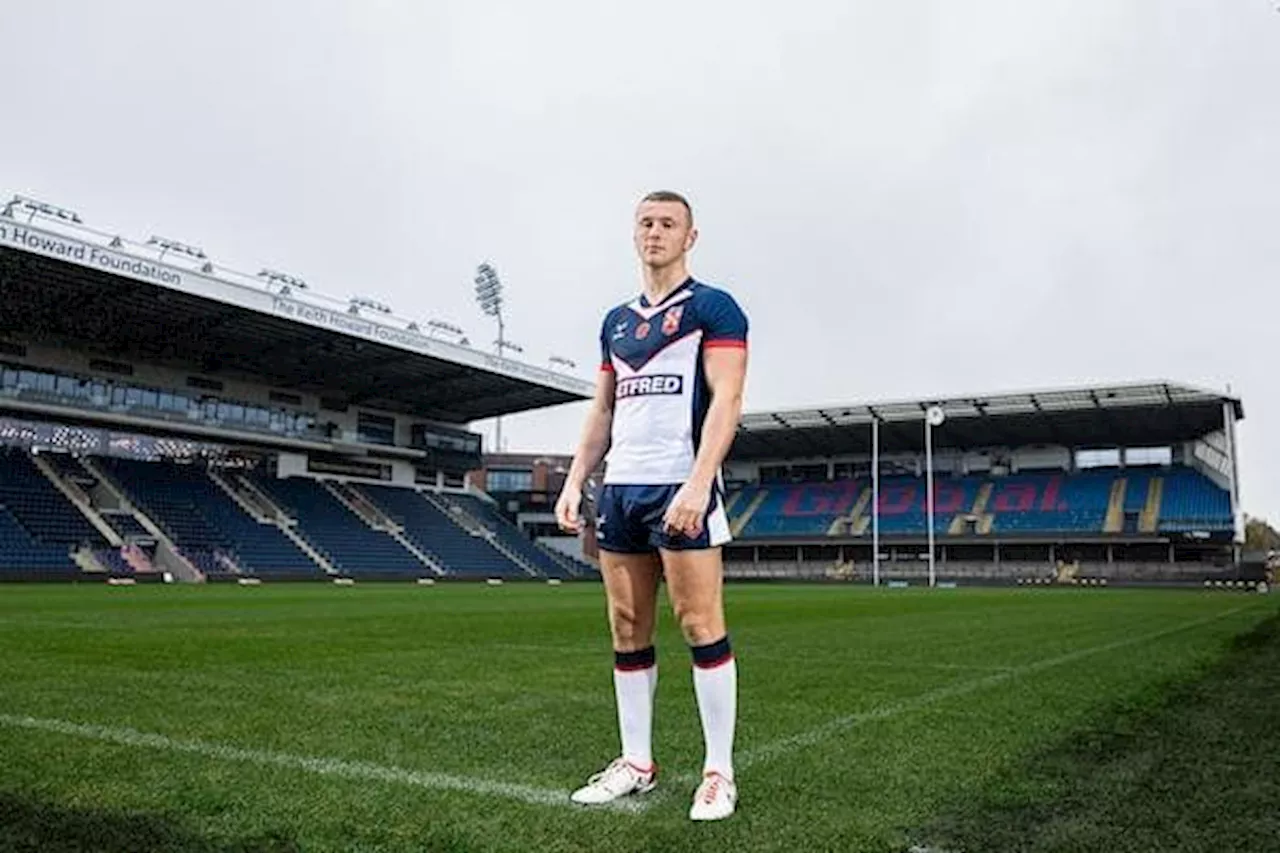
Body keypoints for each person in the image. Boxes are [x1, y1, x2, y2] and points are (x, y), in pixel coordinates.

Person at [555, 190, 749, 821]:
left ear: (691, 237)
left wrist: (699, 482)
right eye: (646, 222)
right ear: (633, 233)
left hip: (679, 484)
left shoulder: (714, 308)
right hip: (621, 490)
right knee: (626, 626)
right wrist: (575, 477)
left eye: (668, 223)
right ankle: (636, 762)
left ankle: (718, 772)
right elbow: (604, 408)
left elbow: (726, 400)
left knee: (699, 623)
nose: (655, 232)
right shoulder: (615, 321)